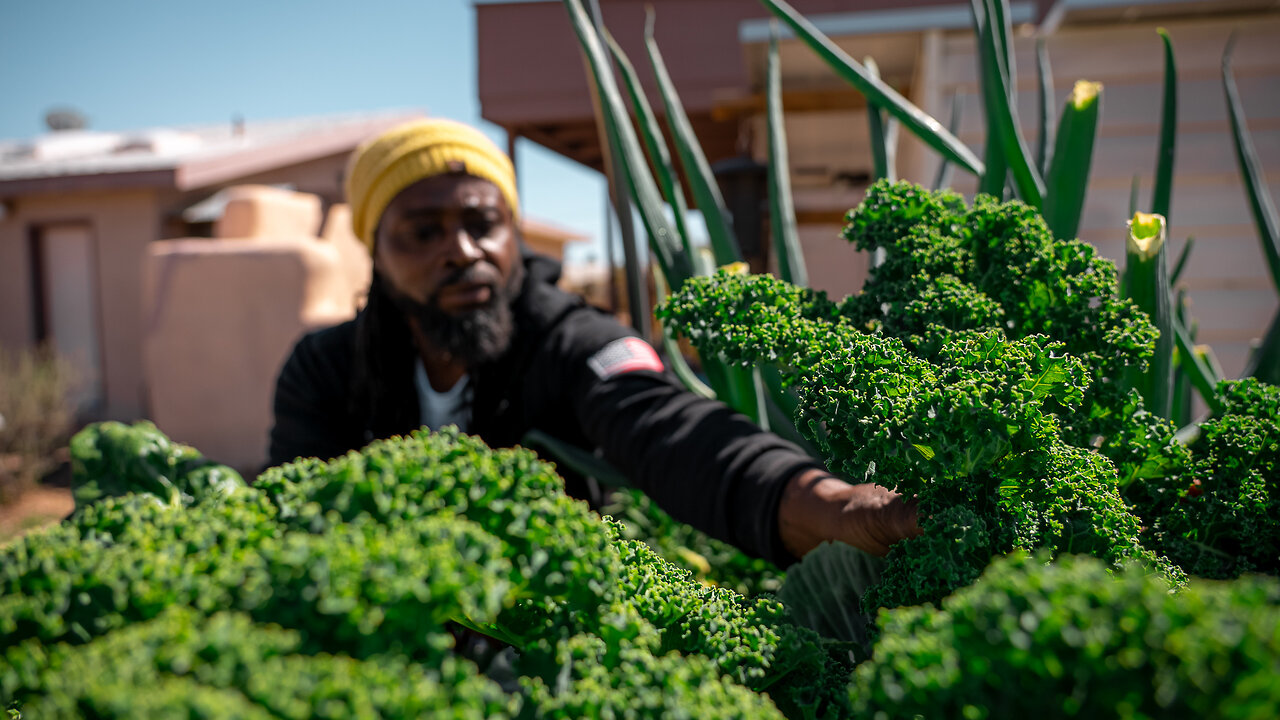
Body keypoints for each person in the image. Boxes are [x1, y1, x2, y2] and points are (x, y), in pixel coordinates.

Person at [269, 118, 918, 566]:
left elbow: (677, 433)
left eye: (481, 223)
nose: (462, 251)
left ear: (511, 232)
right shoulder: (324, 368)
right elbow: (294, 515)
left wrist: (836, 508)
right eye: (423, 231)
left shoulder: (575, 341)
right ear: (375, 250)